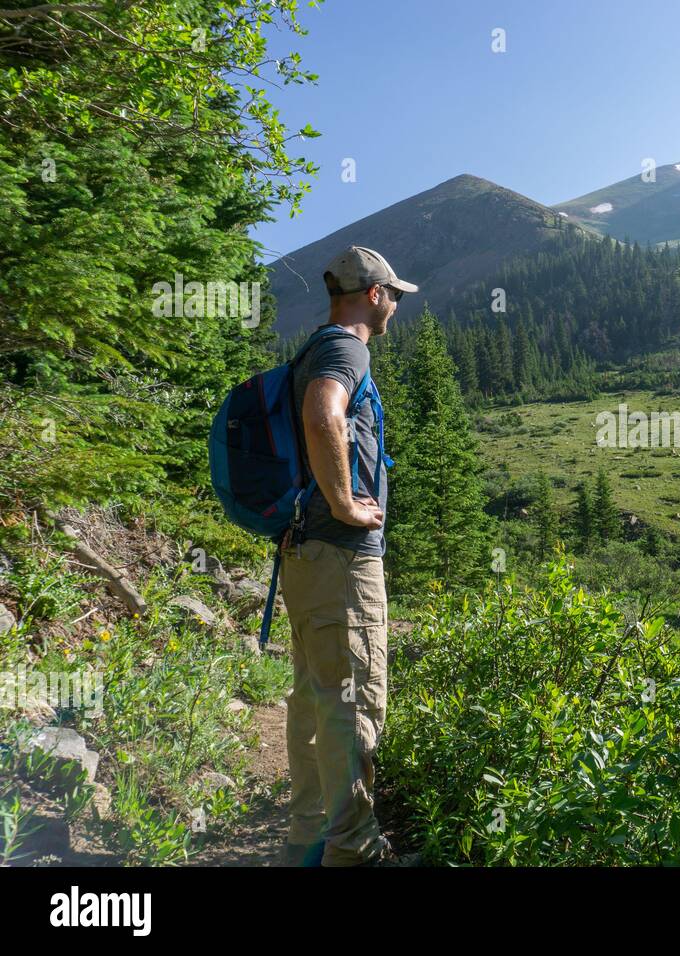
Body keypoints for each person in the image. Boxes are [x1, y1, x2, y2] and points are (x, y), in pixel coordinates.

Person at [278, 246, 416, 867]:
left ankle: (307, 841)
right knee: (354, 700)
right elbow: (322, 414)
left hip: (306, 556)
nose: (396, 306)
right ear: (375, 294)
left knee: (313, 697)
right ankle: (354, 853)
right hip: (339, 559)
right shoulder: (346, 349)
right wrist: (347, 505)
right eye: (395, 295)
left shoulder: (314, 345)